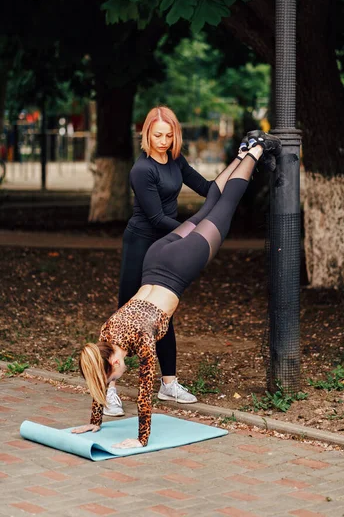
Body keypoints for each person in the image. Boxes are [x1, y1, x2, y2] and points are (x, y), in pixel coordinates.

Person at [72, 130, 282, 448]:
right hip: (155, 257)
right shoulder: (105, 333)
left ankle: (257, 150)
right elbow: (99, 372)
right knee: (209, 204)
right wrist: (94, 423)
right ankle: (243, 152)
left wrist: (141, 440)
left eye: (116, 375)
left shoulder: (140, 341)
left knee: (225, 207)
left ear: (114, 362)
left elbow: (145, 395)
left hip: (179, 265)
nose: (120, 375)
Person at [105, 106, 213, 416]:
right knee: (127, 315)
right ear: (147, 135)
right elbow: (155, 217)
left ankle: (168, 384)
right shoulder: (142, 170)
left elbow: (205, 187)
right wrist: (192, 231)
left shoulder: (175, 160)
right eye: (157, 136)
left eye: (168, 135)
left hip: (166, 243)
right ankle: (109, 387)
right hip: (142, 242)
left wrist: (236, 178)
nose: (163, 141)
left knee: (163, 312)